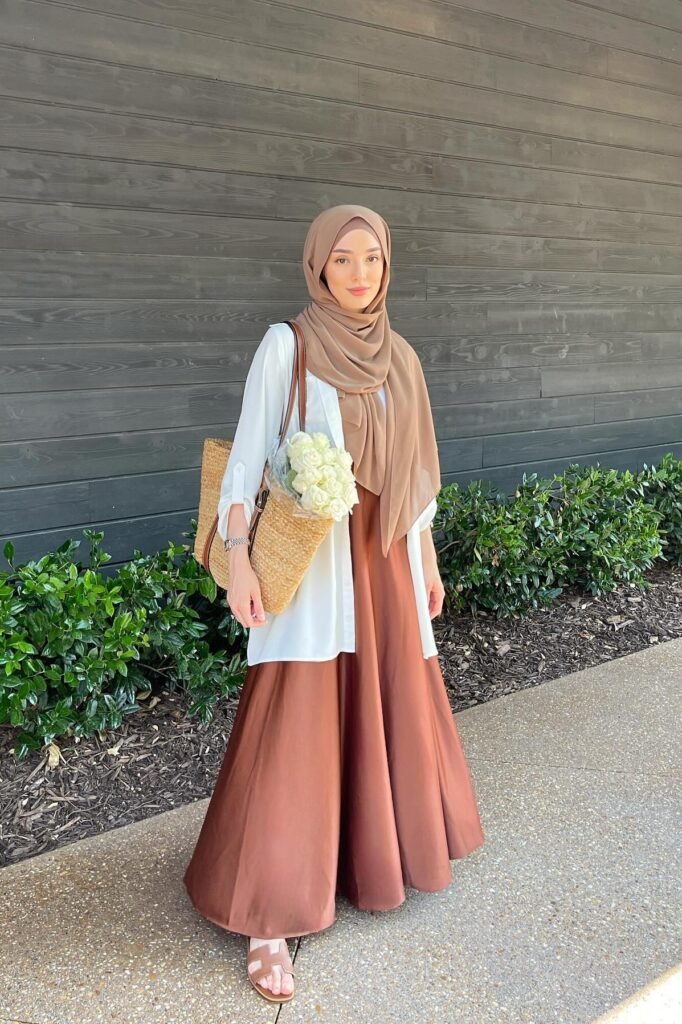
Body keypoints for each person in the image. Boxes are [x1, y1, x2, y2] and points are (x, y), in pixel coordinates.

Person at [183, 205, 485, 1004]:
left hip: (383, 566)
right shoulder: (288, 345)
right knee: (296, 717)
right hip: (314, 568)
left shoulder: (405, 359)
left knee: (388, 705)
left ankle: (368, 855)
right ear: (318, 265)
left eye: (373, 260)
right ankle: (268, 915)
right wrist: (238, 558)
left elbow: (417, 474)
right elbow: (247, 458)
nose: (359, 274)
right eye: (343, 259)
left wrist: (425, 557)